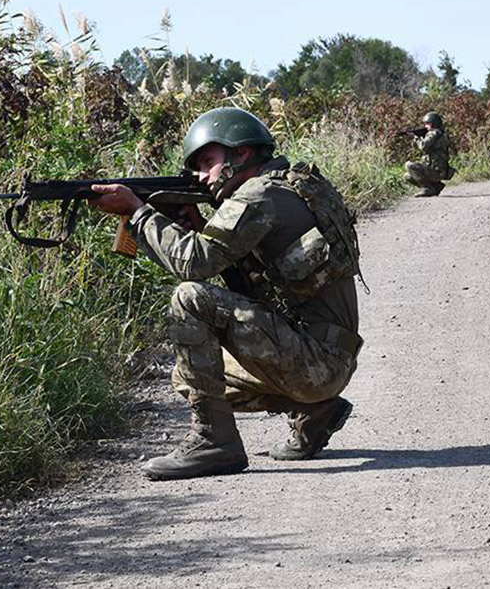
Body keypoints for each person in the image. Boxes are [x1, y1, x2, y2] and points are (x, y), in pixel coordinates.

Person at [90, 108, 363, 480]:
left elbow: (195, 264)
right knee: (186, 376)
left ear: (241, 153)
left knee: (189, 298)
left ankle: (214, 443)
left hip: (316, 363)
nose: (201, 176)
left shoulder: (258, 195)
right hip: (324, 359)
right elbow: (255, 284)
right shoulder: (288, 185)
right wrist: (198, 225)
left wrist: (137, 213)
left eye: (207, 162)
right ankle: (317, 411)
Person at [403, 112, 454, 197]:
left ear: (433, 124)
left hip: (436, 171)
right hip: (439, 171)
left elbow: (423, 146)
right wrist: (417, 139)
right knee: (408, 176)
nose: (425, 126)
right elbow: (420, 148)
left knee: (409, 165)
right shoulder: (440, 133)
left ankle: (427, 188)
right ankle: (436, 187)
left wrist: (416, 138)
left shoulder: (434, 134)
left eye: (427, 124)